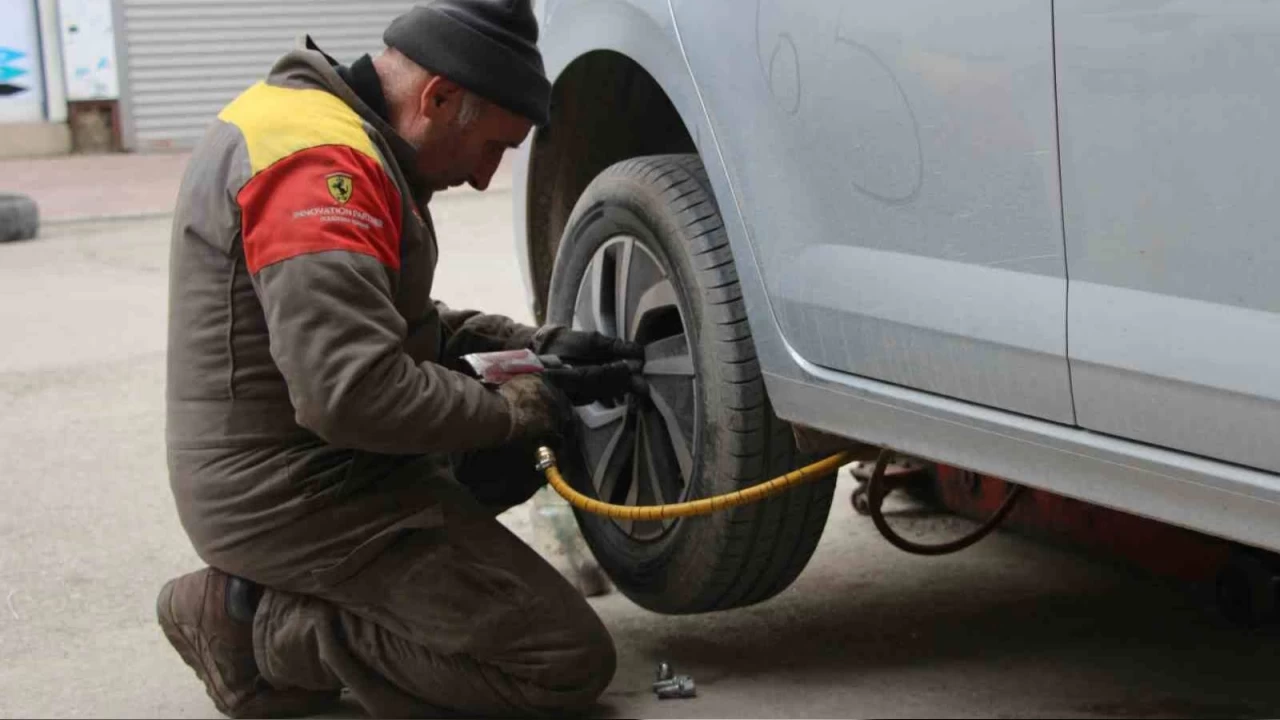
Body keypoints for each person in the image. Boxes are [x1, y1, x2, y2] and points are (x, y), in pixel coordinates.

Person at [156, 1, 641, 716]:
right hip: (293, 491)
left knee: (532, 429)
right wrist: (513, 406)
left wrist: (534, 348)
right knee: (559, 662)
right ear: (438, 97)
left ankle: (361, 591)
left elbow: (392, 326)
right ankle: (252, 625)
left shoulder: (338, 130)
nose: (483, 178)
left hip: (328, 455)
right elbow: (351, 391)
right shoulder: (319, 171)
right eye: (493, 149)